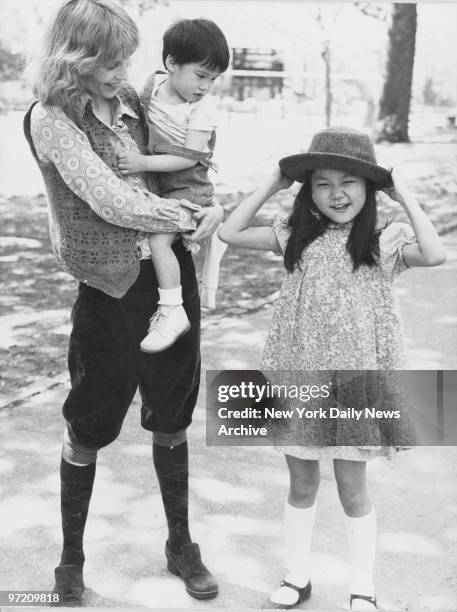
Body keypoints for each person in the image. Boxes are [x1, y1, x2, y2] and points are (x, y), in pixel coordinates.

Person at [23, 0, 222, 605]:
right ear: (74, 58)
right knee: (89, 422)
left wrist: (211, 206)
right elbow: (110, 199)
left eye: (124, 61)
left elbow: (183, 166)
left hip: (170, 279)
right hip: (109, 290)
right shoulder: (51, 118)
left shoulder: (137, 104)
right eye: (109, 63)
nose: (120, 73)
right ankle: (71, 561)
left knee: (172, 412)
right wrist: (187, 217)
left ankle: (180, 545)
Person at [218, 126, 446, 611]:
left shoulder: (384, 241)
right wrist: (272, 183)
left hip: (356, 384)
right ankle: (296, 576)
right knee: (301, 483)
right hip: (297, 374)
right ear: (308, 190)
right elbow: (229, 232)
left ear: (370, 189)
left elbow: (435, 253)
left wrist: (402, 192)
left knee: (350, 487)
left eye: (350, 182)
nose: (336, 193)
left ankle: (362, 587)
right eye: (322, 182)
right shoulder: (295, 235)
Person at [117, 18, 229, 353]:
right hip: (156, 186)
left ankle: (172, 310)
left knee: (158, 241)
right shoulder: (149, 89)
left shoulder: (202, 109)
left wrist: (142, 163)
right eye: (201, 75)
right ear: (171, 64)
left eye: (213, 79)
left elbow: (188, 157)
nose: (206, 86)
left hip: (187, 188)